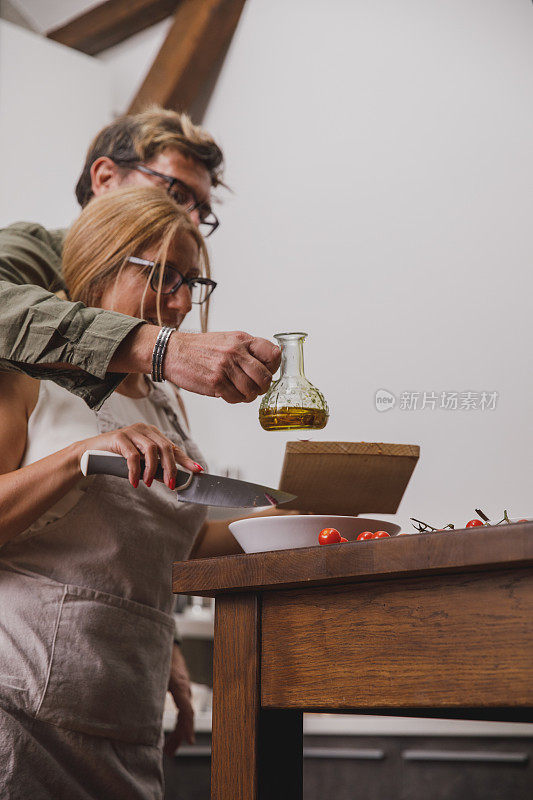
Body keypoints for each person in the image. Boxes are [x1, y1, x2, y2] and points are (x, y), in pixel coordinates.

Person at [0, 106, 281, 760]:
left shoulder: (159, 403)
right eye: (173, 191)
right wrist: (162, 349)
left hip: (126, 715)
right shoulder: (25, 291)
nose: (186, 218)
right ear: (104, 178)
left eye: (199, 210)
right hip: (22, 709)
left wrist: (169, 646)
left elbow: (122, 539)